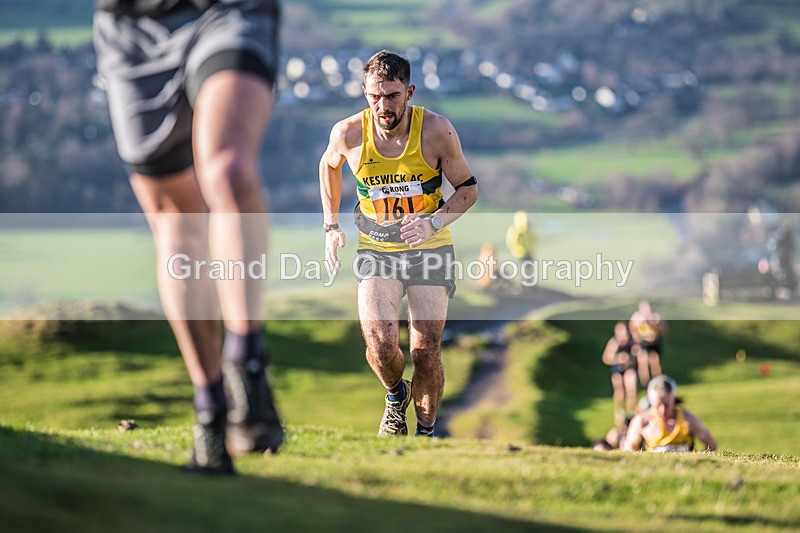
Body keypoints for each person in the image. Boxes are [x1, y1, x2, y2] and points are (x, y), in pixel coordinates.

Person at [93, 0, 283, 474]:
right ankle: (211, 409)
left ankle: (248, 365)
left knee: (226, 167)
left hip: (228, 10)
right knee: (176, 221)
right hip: (131, 25)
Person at [319, 50, 479, 438]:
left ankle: (425, 433)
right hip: (376, 248)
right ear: (364, 92)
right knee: (380, 343)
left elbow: (468, 190)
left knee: (425, 351)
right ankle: (395, 397)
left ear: (409, 92)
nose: (383, 105)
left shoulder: (437, 131)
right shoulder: (349, 133)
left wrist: (433, 222)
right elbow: (328, 165)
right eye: (374, 95)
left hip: (429, 248)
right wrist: (330, 227)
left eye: (391, 95)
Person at [621, 375, 717, 452]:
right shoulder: (642, 422)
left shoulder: (688, 420)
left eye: (667, 405)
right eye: (657, 405)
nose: (662, 410)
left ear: (674, 400)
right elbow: (628, 449)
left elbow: (711, 445)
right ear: (650, 401)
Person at [601, 322, 639, 427]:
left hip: (629, 368)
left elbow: (637, 354)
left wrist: (632, 357)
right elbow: (606, 358)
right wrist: (618, 358)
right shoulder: (614, 343)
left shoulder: (632, 341)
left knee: (632, 389)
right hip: (617, 369)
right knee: (620, 391)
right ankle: (619, 411)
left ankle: (631, 412)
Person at [628, 300, 667, 386]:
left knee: (655, 361)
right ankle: (645, 384)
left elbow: (665, 330)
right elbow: (632, 329)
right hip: (642, 342)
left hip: (654, 342)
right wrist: (637, 339)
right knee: (643, 361)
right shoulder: (637, 317)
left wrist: (658, 324)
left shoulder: (656, 317)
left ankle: (657, 381)